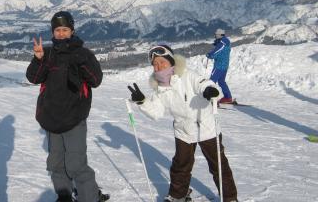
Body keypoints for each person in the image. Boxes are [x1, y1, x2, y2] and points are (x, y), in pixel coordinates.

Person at [127, 44, 238, 202]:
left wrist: (209, 90)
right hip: (183, 130)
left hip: (206, 126)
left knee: (218, 166)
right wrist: (143, 102)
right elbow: (156, 112)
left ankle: (230, 198)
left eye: (162, 62)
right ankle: (178, 196)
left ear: (171, 61)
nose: (158, 66)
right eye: (155, 64)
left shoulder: (187, 75)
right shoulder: (160, 88)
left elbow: (204, 84)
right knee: (181, 166)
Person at [26, 11, 109, 202]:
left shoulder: (83, 53)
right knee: (56, 164)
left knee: (76, 165)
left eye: (65, 30)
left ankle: (90, 197)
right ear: (53, 32)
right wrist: (38, 59)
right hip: (51, 118)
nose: (61, 34)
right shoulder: (47, 54)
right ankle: (64, 196)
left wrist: (81, 61)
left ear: (72, 30)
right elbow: (33, 78)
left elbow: (96, 80)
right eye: (57, 30)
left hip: (74, 118)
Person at [206, 28, 233, 104]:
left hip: (219, 66)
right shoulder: (225, 42)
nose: (214, 36)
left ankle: (211, 99)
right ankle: (228, 97)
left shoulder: (222, 43)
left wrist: (209, 54)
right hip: (224, 66)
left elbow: (216, 52)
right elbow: (220, 52)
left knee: (211, 82)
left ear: (219, 35)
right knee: (221, 82)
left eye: (215, 35)